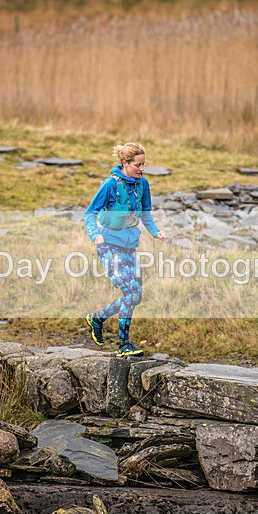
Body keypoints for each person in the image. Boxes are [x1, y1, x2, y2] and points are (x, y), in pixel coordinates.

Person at [84, 142, 165, 356]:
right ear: (124, 163)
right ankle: (123, 345)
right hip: (109, 246)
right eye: (138, 165)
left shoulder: (143, 184)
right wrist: (96, 235)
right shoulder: (110, 184)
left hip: (130, 247)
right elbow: (89, 214)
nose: (142, 169)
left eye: (144, 164)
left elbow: (146, 214)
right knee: (130, 293)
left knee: (135, 296)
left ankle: (97, 318)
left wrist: (155, 232)